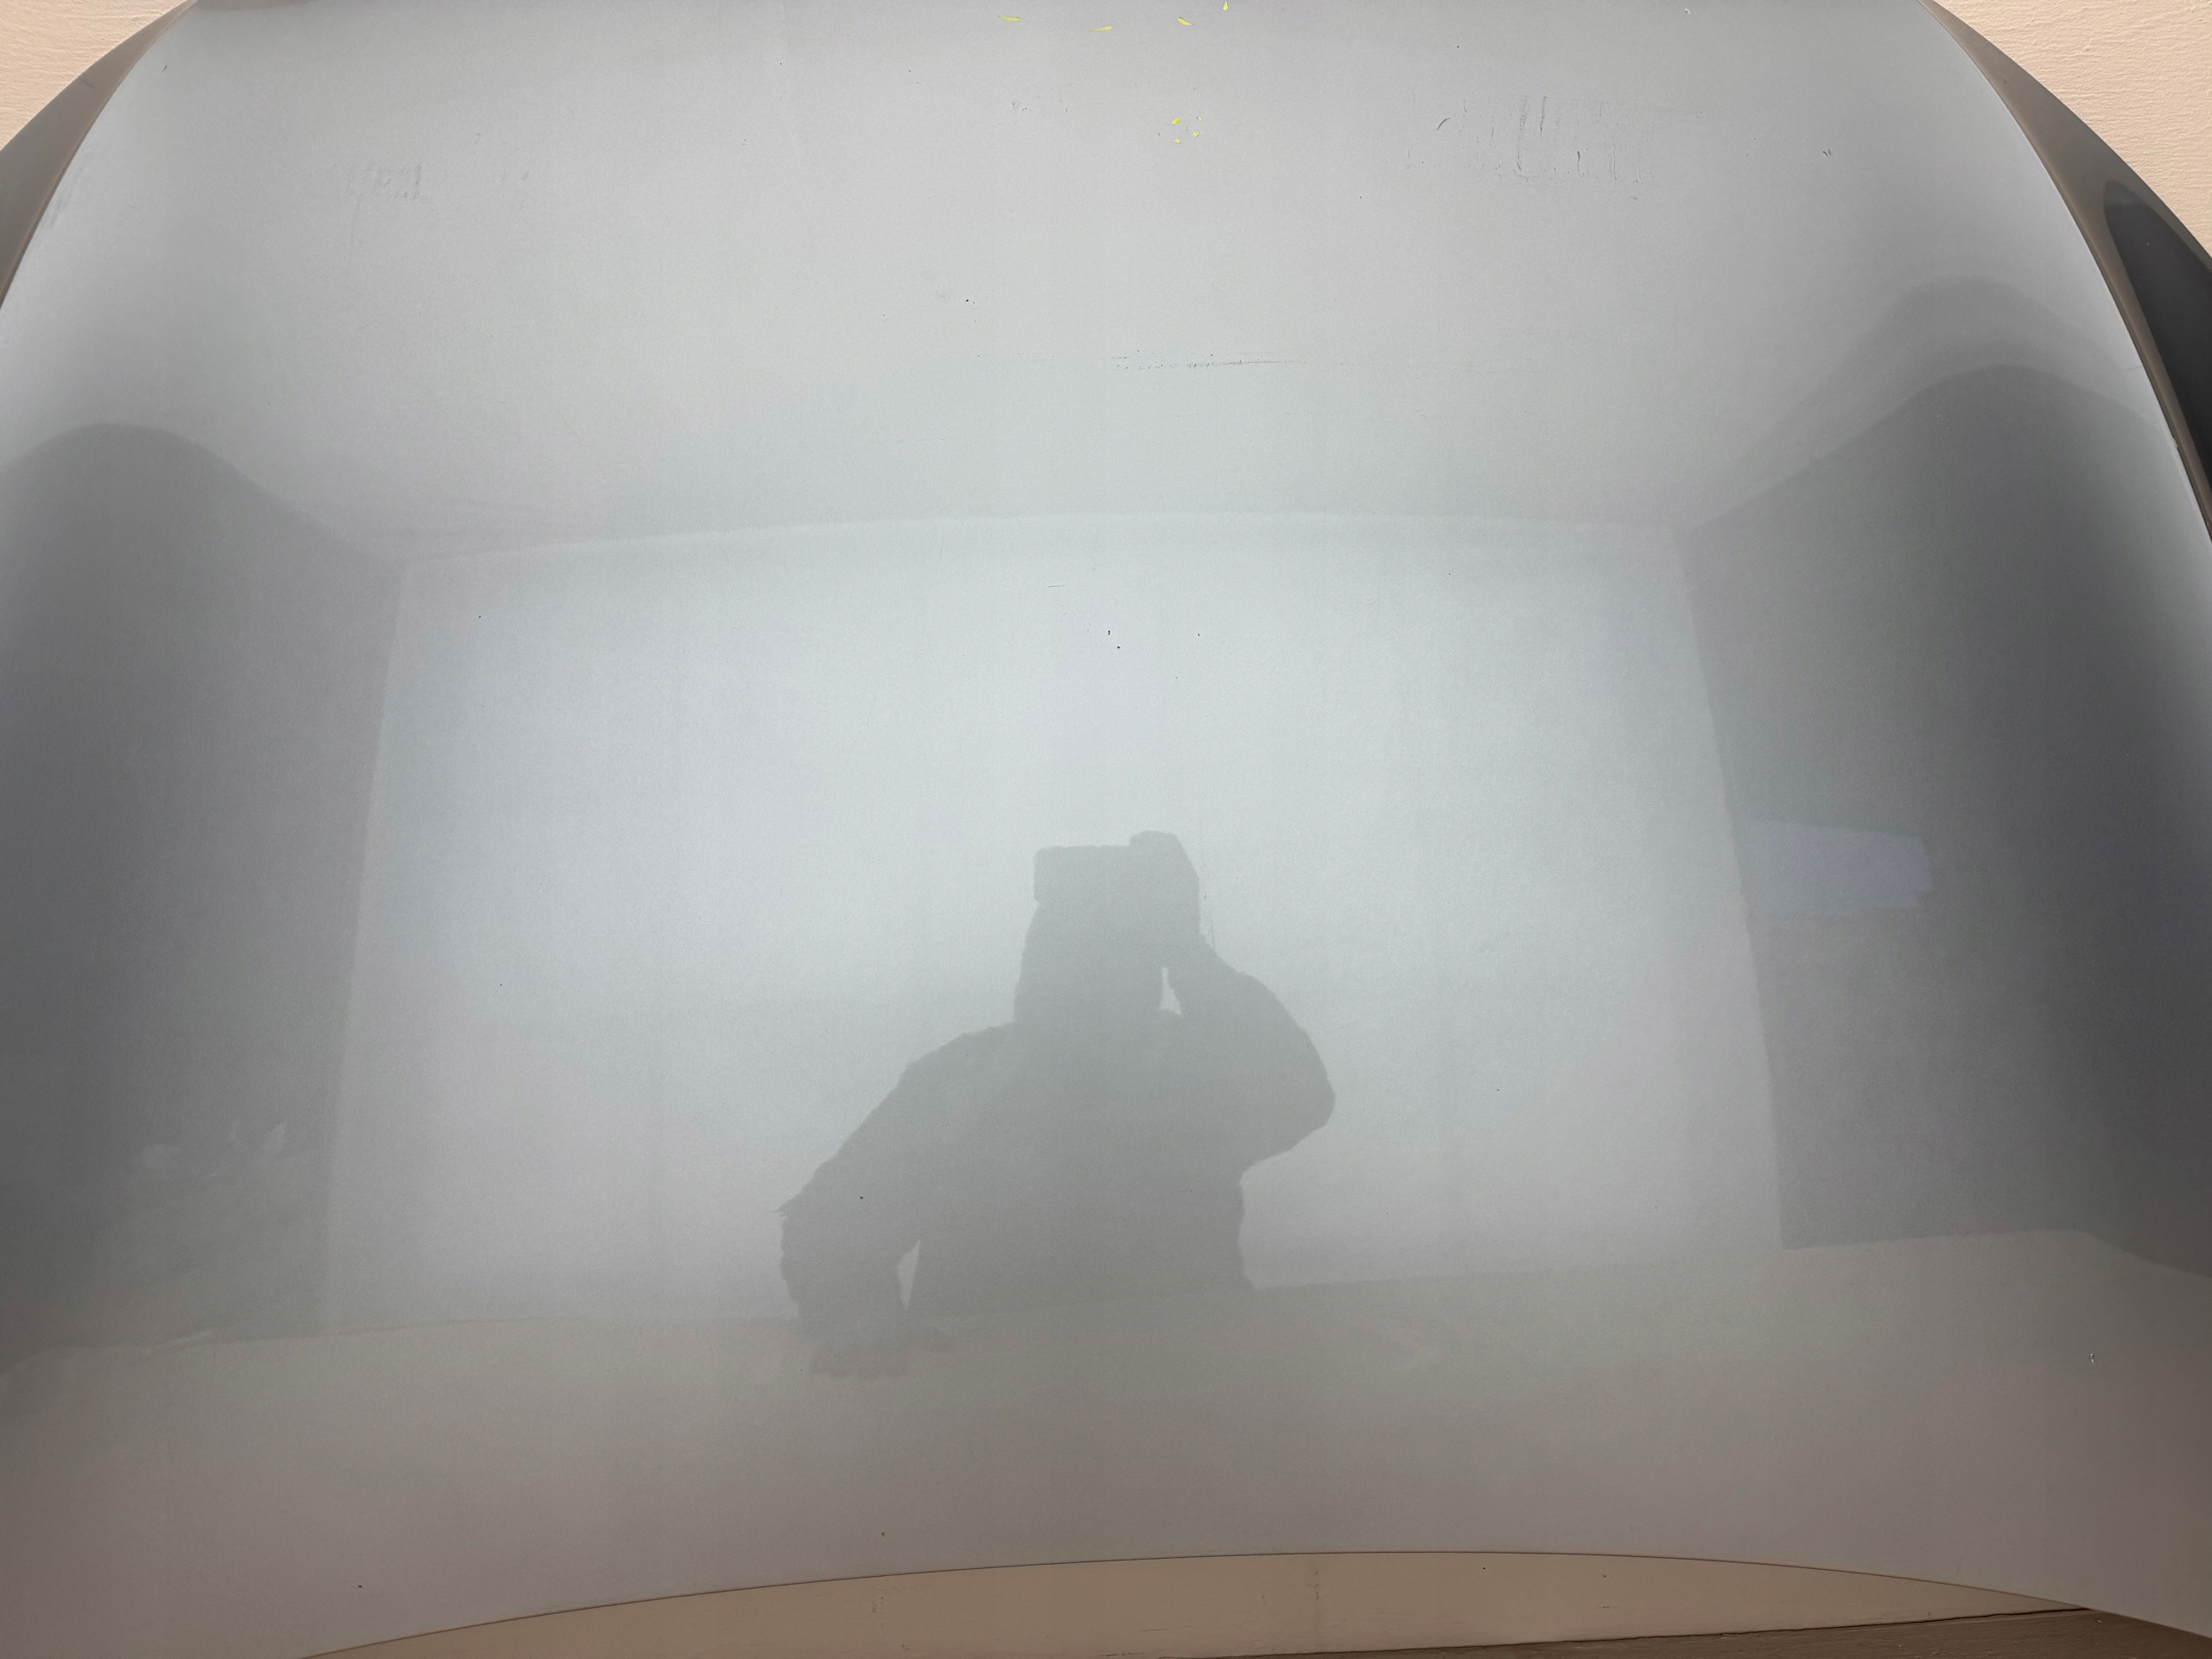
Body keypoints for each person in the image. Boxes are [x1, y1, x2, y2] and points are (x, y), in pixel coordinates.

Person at [780, 832, 1333, 1375]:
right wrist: (860, 1319)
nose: (1082, 981)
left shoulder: (1189, 1069)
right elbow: (830, 1220)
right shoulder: (959, 1080)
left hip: (1184, 1388)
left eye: (1109, 960)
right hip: (986, 1398)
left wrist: (1186, 948)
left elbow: (1301, 1096)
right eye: (1062, 955)